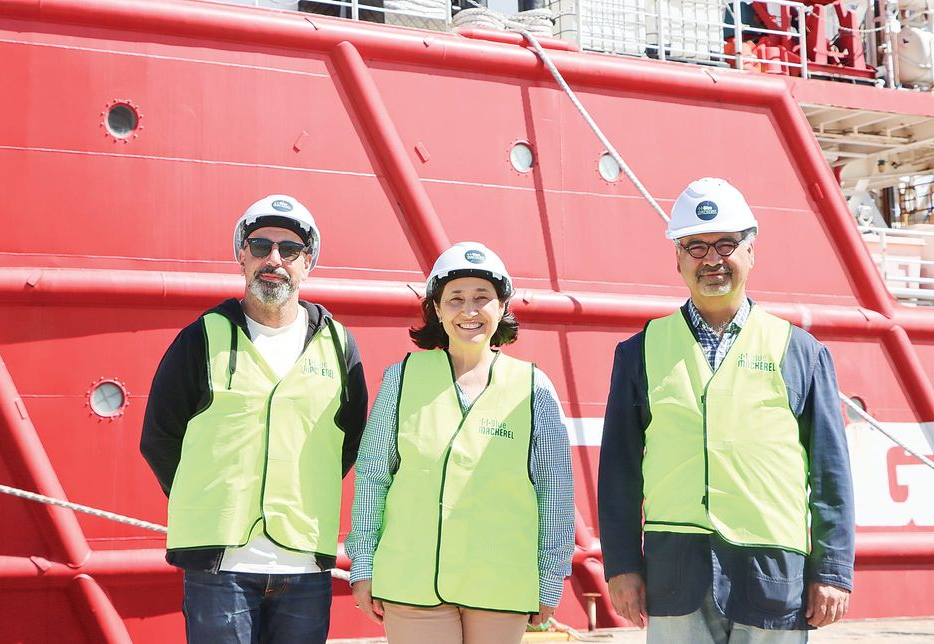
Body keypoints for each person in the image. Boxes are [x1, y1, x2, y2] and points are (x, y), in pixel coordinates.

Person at [597, 177, 855, 644]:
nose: (712, 260)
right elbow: (619, 471)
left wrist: (833, 570)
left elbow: (830, 474)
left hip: (772, 574)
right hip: (675, 573)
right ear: (677, 258)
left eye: (726, 245)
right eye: (695, 247)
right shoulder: (639, 353)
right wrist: (621, 565)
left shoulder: (801, 352)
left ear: (751, 252)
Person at [140, 194, 368, 643]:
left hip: (305, 564)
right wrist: (207, 495)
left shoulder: (339, 346)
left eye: (290, 249)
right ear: (242, 256)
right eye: (261, 246)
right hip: (219, 567)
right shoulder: (201, 338)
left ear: (307, 263)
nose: (274, 260)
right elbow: (159, 438)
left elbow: (350, 442)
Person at [345, 241, 575, 644]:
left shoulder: (534, 388)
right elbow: (373, 476)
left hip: (500, 585)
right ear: (436, 309)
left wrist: (550, 577)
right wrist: (363, 563)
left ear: (502, 307)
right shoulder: (400, 379)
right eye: (455, 299)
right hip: (412, 583)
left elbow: (554, 491)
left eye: (482, 297)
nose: (469, 311)